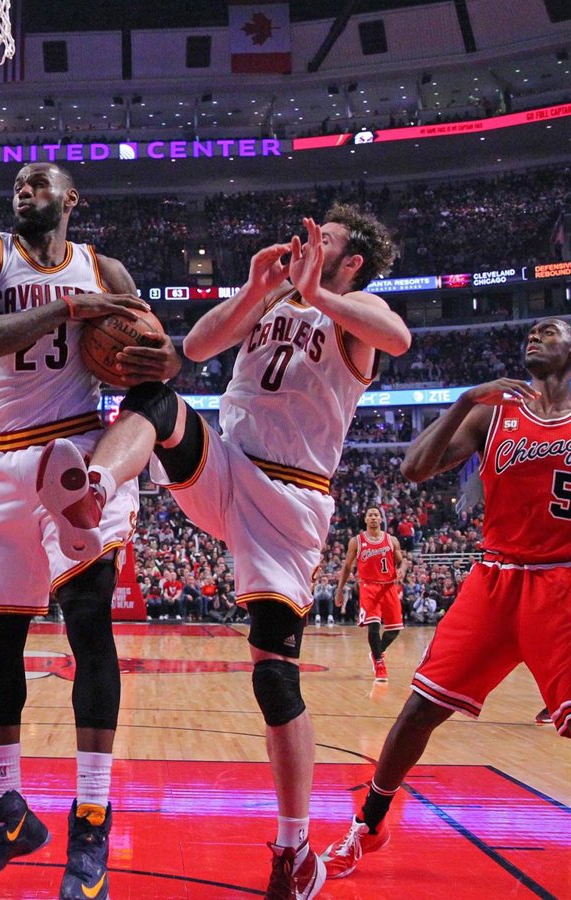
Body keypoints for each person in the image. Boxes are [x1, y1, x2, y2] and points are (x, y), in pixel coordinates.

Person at [39, 208, 408, 899]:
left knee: (274, 678)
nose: (309, 243)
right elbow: (198, 347)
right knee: (156, 399)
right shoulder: (272, 302)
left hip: (291, 501)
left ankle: (295, 849)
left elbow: (400, 337)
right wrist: (253, 289)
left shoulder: (358, 312)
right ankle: (93, 490)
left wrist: (316, 293)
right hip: (229, 466)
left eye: (325, 239)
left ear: (352, 261)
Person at [0, 161, 180, 899]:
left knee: (88, 626)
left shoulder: (106, 270)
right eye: (19, 183)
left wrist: (165, 357)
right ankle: (6, 813)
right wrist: (68, 310)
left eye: (40, 183)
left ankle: (93, 818)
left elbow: (153, 371)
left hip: (76, 454)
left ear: (72, 199)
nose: (25, 190)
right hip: (2, 459)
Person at [321, 318, 571, 879]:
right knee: (420, 710)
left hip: (561, 581)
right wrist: (462, 402)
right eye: (531, 331)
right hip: (496, 579)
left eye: (551, 329)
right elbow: (414, 468)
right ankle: (368, 825)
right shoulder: (495, 412)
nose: (535, 336)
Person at [334, 507, 407, 680]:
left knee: (395, 630)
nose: (373, 517)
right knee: (373, 625)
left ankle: (377, 652)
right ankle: (379, 663)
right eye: (370, 515)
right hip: (368, 586)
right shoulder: (356, 541)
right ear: (365, 519)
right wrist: (339, 590)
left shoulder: (391, 540)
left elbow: (402, 562)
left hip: (389, 587)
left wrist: (402, 570)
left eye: (376, 515)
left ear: (381, 519)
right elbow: (347, 567)